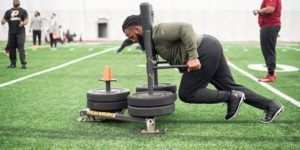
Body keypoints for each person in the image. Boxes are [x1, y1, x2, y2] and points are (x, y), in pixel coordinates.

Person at [122, 15, 284, 123]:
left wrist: (193, 57)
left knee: (187, 93)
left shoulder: (157, 32)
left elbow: (185, 27)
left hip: (204, 50)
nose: (133, 41)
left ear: (137, 29)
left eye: (132, 37)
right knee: (229, 86)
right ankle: (271, 105)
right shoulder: (152, 40)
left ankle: (231, 97)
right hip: (209, 48)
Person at [253, 0, 282, 82]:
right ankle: (272, 72)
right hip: (270, 26)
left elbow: (270, 9)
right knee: (268, 50)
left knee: (268, 51)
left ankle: (271, 74)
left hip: (269, 26)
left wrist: (257, 11)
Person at [1, 0, 28, 69]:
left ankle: (23, 63)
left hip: (20, 32)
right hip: (11, 33)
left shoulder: (23, 11)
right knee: (11, 48)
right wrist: (3, 21)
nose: (16, 2)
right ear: (13, 2)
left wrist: (23, 23)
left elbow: (26, 20)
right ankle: (13, 63)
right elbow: (4, 19)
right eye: (15, 1)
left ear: (19, 2)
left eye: (17, 1)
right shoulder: (8, 11)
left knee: (20, 47)